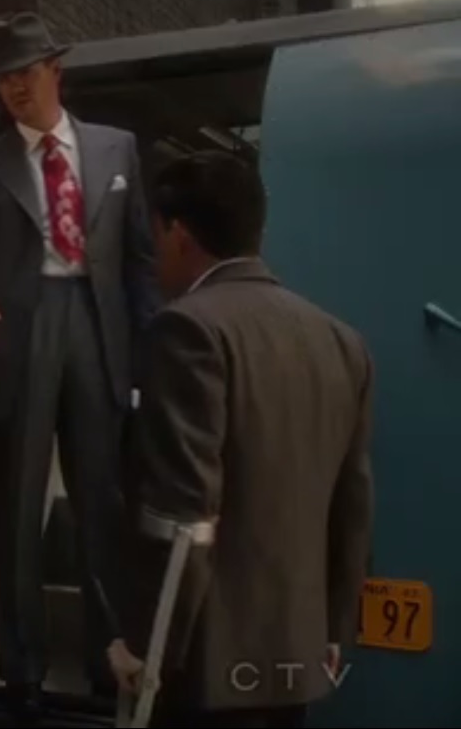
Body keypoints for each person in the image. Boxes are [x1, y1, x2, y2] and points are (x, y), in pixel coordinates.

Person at [107, 150, 375, 728]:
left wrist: (147, 645)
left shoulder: (188, 328)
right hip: (296, 656)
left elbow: (183, 514)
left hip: (205, 663)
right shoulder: (341, 342)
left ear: (179, 234)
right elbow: (352, 506)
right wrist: (334, 631)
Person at [0, 11, 162, 709]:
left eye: (25, 73)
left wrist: (148, 364)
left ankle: (108, 660)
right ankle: (23, 671)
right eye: (3, 78)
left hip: (99, 330)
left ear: (55, 72)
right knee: (16, 510)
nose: (14, 87)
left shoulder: (117, 148)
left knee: (104, 504)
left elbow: (140, 262)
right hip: (21, 331)